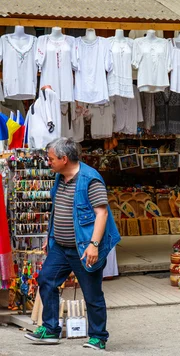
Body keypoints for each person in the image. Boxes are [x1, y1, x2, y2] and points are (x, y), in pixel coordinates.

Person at [25, 138, 121, 350]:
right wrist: (51, 237)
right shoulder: (60, 177)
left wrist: (94, 245)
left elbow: (102, 213)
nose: (48, 162)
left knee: (92, 294)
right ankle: (50, 329)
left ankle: (98, 336)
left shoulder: (90, 179)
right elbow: (59, 211)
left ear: (64, 159)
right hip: (60, 246)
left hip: (84, 248)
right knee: (46, 280)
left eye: (51, 159)